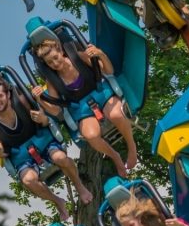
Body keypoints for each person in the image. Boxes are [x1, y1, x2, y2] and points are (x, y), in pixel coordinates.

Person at [0, 77, 92, 221]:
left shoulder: (23, 103)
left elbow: (46, 121)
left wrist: (42, 119)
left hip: (45, 142)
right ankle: (58, 201)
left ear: (8, 94)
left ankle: (79, 186)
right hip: (23, 157)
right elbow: (3, 151)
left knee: (60, 158)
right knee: (28, 180)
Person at [30, 38, 138, 176]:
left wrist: (100, 54)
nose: (55, 63)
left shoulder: (79, 57)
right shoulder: (52, 80)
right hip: (80, 107)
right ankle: (115, 156)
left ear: (61, 51)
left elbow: (108, 70)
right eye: (50, 62)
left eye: (56, 58)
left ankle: (131, 146)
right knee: (91, 136)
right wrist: (40, 100)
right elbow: (56, 110)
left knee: (117, 115)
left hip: (101, 94)